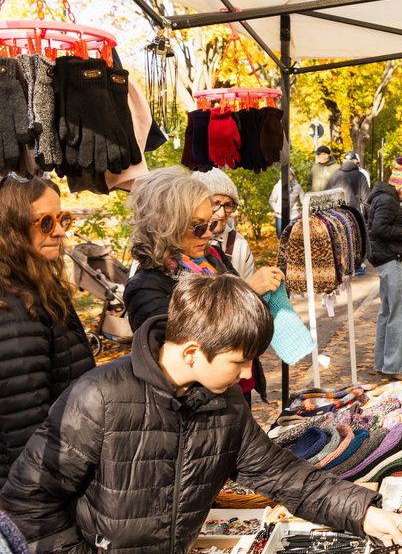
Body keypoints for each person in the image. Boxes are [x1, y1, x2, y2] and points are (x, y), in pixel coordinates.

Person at [1, 273, 402, 554]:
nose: (244, 374)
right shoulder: (98, 399)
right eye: (238, 361)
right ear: (191, 352)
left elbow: (283, 474)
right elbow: (26, 503)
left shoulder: (223, 404)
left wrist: (363, 512)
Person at [123, 166, 284, 404]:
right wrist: (249, 291)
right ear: (167, 225)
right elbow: (184, 359)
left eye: (209, 224)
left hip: (234, 393)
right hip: (196, 410)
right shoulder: (146, 288)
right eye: (198, 226)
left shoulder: (212, 259)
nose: (208, 234)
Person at [0, 174, 95, 487]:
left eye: (62, 218)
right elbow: (24, 428)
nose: (60, 231)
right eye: (45, 222)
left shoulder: (38, 287)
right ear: (11, 229)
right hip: (38, 492)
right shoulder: (13, 308)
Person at [367, 160, 402, 380]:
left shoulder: (381, 197)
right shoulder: (388, 200)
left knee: (387, 313)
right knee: (400, 313)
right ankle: (397, 367)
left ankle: (383, 363)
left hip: (383, 257)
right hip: (390, 257)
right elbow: (380, 229)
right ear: (401, 187)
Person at [191, 168, 256, 280]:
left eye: (228, 205)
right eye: (215, 203)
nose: (221, 214)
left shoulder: (238, 244)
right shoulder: (181, 245)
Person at [327, 150, 371, 217]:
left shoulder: (334, 175)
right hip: (354, 214)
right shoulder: (360, 176)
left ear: (344, 161)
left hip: (336, 214)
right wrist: (368, 218)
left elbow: (328, 196)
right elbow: (366, 200)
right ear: (355, 161)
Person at [268, 167, 303, 235]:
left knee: (293, 237)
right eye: (286, 174)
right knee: (280, 236)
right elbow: (271, 200)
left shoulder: (297, 187)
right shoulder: (277, 186)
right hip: (280, 216)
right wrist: (278, 210)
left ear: (293, 175)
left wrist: (305, 209)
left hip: (294, 216)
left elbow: (303, 200)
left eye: (290, 174)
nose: (288, 176)